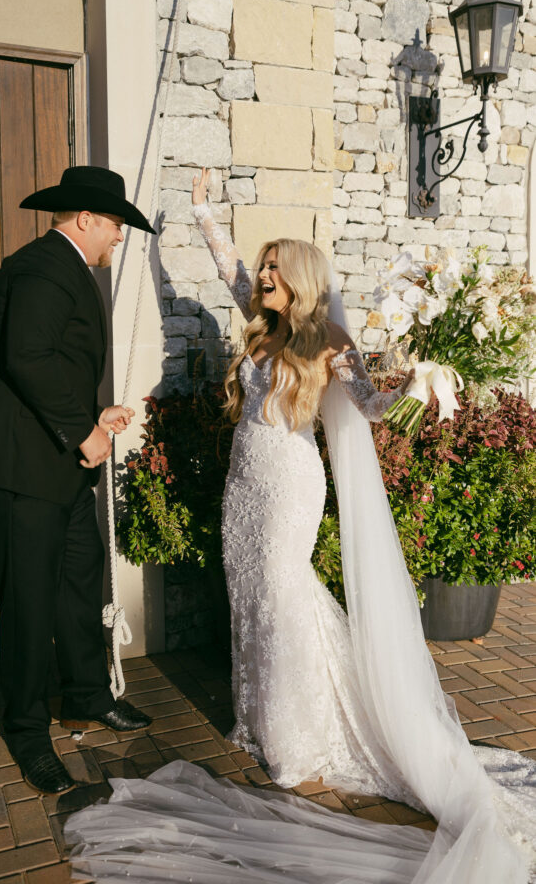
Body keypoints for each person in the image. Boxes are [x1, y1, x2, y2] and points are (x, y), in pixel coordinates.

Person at [63, 168, 536, 882]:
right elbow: (223, 267)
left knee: (285, 597)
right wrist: (201, 214)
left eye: (274, 271)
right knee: (250, 596)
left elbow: (368, 409)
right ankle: (258, 719)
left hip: (289, 486)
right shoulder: (260, 331)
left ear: (302, 280)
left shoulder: (327, 340)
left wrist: (414, 384)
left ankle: (301, 737)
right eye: (261, 269)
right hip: (242, 487)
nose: (260, 277)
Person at [0, 165, 155, 796]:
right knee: (29, 604)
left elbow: (47, 368)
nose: (120, 238)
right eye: (117, 225)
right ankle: (26, 732)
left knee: (79, 581)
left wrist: (91, 419)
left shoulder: (64, 266)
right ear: (87, 218)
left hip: (59, 464)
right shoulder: (46, 265)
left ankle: (85, 696)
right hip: (22, 472)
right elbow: (27, 357)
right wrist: (85, 432)